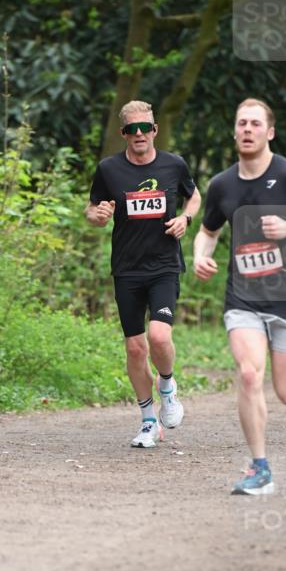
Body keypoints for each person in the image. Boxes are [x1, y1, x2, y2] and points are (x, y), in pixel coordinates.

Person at [193, 97, 286, 494]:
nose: (247, 129)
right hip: (243, 299)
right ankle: (260, 469)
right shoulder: (222, 184)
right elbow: (208, 231)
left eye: (255, 123)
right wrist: (200, 257)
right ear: (234, 130)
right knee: (249, 372)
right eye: (242, 123)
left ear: (269, 132)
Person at [86, 100, 201, 447]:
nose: (139, 134)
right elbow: (91, 210)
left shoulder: (173, 165)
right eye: (132, 129)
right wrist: (99, 216)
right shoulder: (109, 169)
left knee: (159, 338)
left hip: (164, 265)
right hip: (126, 269)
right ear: (123, 133)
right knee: (135, 349)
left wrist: (185, 219)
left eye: (145, 128)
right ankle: (149, 420)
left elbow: (194, 197)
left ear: (154, 130)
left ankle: (167, 386)